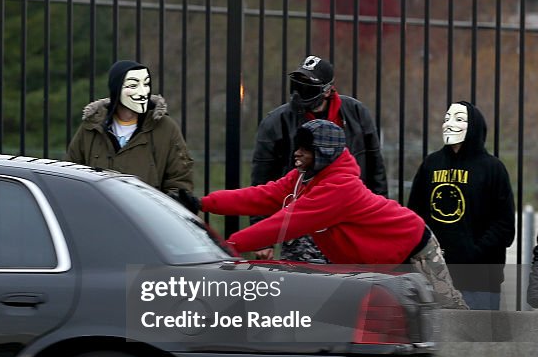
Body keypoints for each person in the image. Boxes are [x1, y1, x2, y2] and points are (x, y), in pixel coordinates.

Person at [192, 119, 467, 309]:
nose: (296, 154)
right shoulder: (306, 178)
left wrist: (228, 247)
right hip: (377, 257)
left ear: (323, 153)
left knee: (449, 310)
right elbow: (263, 196)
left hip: (412, 245)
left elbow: (284, 223)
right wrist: (203, 203)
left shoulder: (339, 187)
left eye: (305, 149)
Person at [250, 55, 387, 261]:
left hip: (348, 223)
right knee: (304, 288)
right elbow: (262, 179)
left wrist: (379, 223)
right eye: (295, 86)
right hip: (302, 226)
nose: (298, 94)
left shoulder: (356, 114)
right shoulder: (276, 123)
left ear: (328, 90)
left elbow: (376, 170)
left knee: (352, 288)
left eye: (307, 87)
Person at [408, 101, 514, 311]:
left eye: (458, 119)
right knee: (438, 340)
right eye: (446, 118)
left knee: (478, 338)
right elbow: (414, 215)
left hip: (480, 280)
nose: (449, 124)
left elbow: (505, 226)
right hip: (435, 276)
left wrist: (474, 253)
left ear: (473, 125)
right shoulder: (431, 164)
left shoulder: (493, 168)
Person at [66, 60, 194, 199]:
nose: (143, 92)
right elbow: (70, 175)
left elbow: (180, 181)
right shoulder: (91, 127)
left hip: (145, 218)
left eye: (146, 84)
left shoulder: (165, 127)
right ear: (116, 89)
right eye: (133, 85)